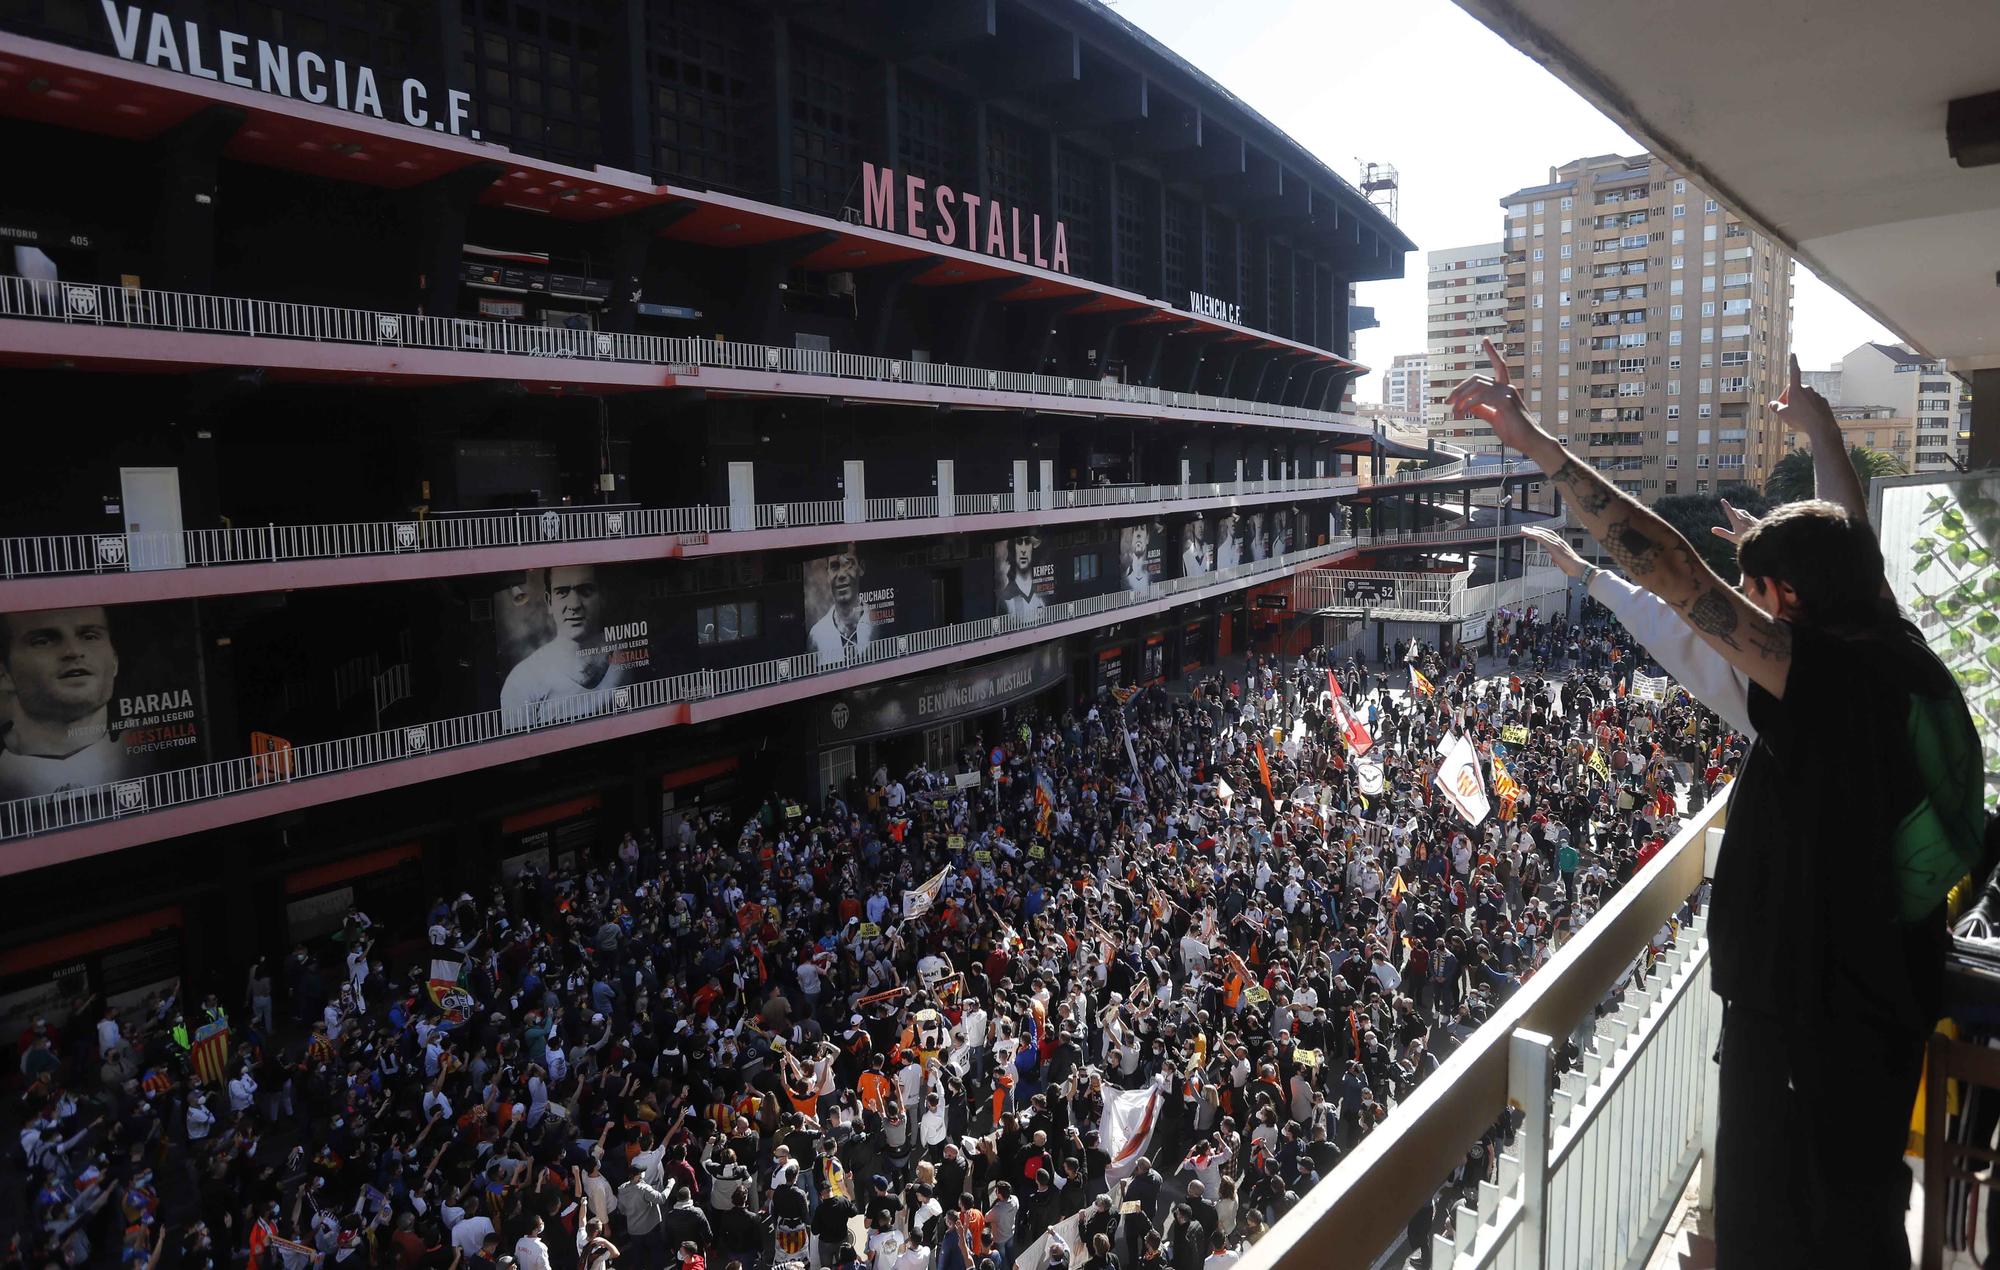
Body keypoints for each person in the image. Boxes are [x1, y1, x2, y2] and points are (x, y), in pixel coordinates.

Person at [1448, 342, 1984, 1267]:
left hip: (1806, 1017)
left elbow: (1672, 569)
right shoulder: (1886, 635)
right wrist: (1818, 430)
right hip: (1887, 987)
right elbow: (1849, 531)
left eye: (1756, 594)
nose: (1742, 608)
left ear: (1785, 602)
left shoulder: (1817, 681)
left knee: (1782, 1232)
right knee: (1862, 1208)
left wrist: (1535, 444)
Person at [0, 606, 138, 798]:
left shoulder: (152, 749)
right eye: (43, 641)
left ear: (115, 661)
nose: (73, 652)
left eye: (89, 636)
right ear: (4, 673)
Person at [499, 565, 627, 724]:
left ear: (603, 597)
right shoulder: (522, 680)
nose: (574, 605)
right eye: (562, 592)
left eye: (585, 590)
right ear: (549, 602)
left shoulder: (625, 654)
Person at [809, 547, 876, 661]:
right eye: (834, 566)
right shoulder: (816, 635)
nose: (841, 575)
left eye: (848, 564)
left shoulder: (877, 625)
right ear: (828, 575)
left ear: (861, 568)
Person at [997, 535, 1047, 621]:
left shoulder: (1042, 593)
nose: (1023, 550)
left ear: (1032, 549)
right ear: (1014, 549)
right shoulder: (1006, 598)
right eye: (1019, 543)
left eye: (1027, 542)